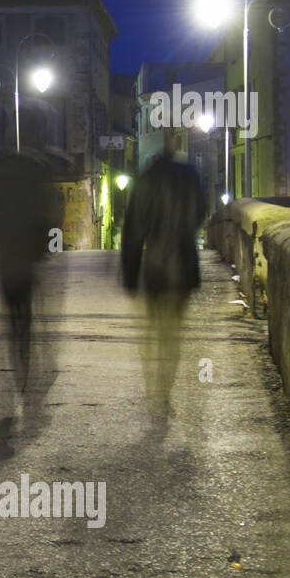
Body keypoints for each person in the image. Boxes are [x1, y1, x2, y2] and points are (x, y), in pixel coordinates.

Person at [0, 147, 60, 439]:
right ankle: (29, 386)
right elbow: (51, 211)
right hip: (29, 258)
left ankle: (20, 383)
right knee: (28, 322)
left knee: (15, 322)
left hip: (9, 258)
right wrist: (43, 244)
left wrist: (0, 236)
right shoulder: (37, 170)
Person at [119, 134, 208, 424]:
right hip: (184, 266)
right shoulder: (190, 176)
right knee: (172, 332)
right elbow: (201, 214)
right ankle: (164, 390)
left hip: (155, 267)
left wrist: (130, 273)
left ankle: (154, 390)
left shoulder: (146, 179)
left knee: (153, 331)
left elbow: (133, 229)